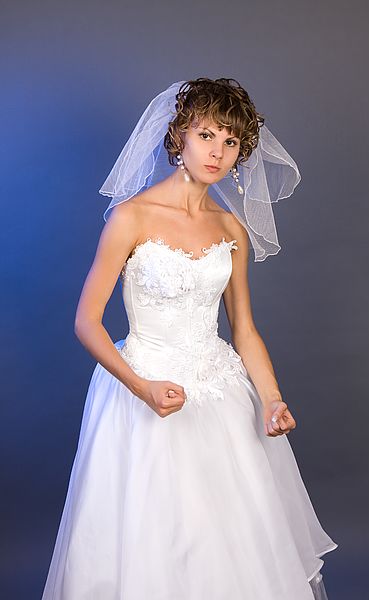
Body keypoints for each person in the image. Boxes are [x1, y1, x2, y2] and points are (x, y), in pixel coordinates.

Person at [41, 78, 337, 599]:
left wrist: (271, 399)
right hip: (143, 387)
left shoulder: (231, 229)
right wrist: (142, 387)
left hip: (219, 391)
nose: (217, 152)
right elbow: (87, 321)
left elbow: (244, 328)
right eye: (206, 135)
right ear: (179, 136)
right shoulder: (131, 217)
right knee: (149, 535)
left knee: (226, 537)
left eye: (230, 142)